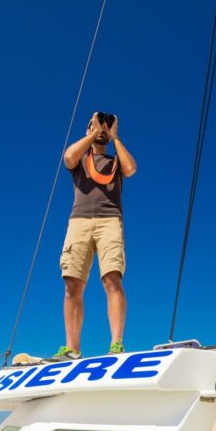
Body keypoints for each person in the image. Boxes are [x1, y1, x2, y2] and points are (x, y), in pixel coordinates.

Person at [50, 111, 138, 361]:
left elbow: (131, 169)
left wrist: (115, 136)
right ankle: (72, 349)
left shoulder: (116, 161)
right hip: (79, 220)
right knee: (72, 283)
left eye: (104, 125)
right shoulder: (81, 158)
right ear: (88, 129)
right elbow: (68, 157)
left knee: (112, 278)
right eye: (96, 124)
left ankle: (116, 344)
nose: (101, 128)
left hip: (110, 220)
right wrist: (93, 132)